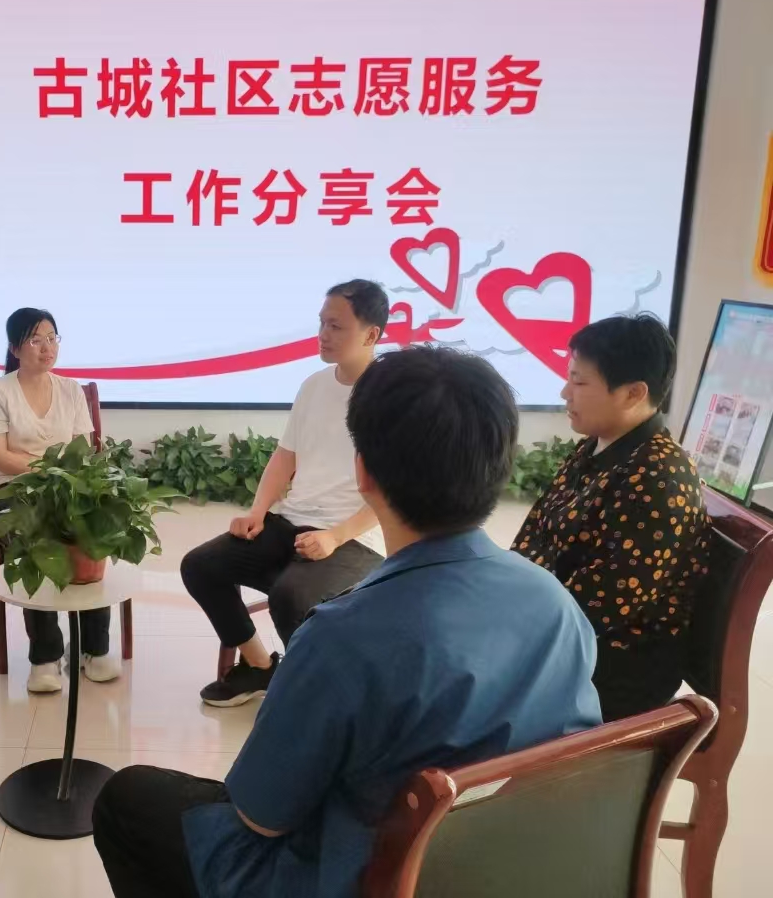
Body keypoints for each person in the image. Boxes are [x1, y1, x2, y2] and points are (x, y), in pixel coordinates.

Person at [92, 346, 602, 898]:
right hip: (498, 868)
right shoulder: (557, 605)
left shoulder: (342, 637)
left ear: (363, 473)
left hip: (362, 877)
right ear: (501, 467)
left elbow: (262, 817)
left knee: (128, 799)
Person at [181, 281, 389, 707]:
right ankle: (261, 667)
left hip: (355, 538)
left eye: (336, 326)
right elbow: (285, 456)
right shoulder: (314, 385)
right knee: (200, 565)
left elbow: (391, 493)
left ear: (371, 334)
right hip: (292, 521)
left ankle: (316, 697)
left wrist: (335, 536)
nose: (323, 334)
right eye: (321, 323)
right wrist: (258, 511)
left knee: (291, 595)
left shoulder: (391, 397)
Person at [513, 314, 710, 721]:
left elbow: (598, 608)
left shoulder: (660, 477)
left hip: (613, 667)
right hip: (560, 632)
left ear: (633, 393)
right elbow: (535, 533)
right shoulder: (598, 445)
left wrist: (507, 625)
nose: (565, 392)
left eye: (580, 382)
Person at [0, 307, 120, 693]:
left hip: (66, 488)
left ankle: (93, 648)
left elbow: (83, 451)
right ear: (14, 348)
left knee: (93, 531)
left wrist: (63, 478)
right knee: (33, 539)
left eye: (52, 338)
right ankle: (45, 657)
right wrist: (48, 470)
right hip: (15, 491)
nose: (47, 347)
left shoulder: (71, 390)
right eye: (35, 340)